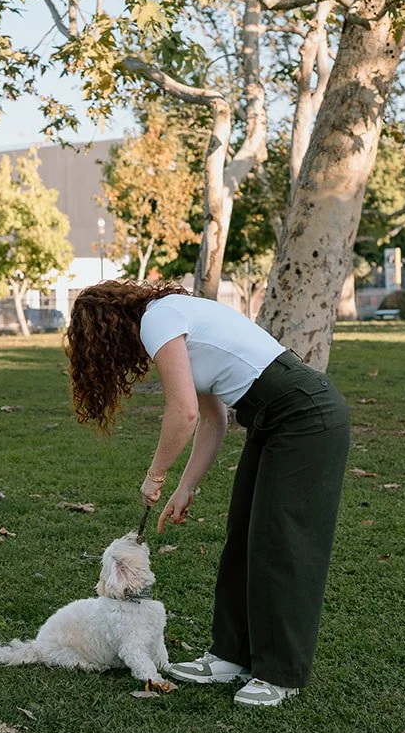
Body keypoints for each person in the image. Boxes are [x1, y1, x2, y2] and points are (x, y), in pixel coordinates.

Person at [63, 280, 349, 707]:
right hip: (272, 419)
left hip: (305, 415)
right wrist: (184, 486)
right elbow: (212, 420)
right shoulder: (173, 319)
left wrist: (154, 476)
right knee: (242, 538)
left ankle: (279, 673)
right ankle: (230, 656)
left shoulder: (159, 320)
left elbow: (183, 413)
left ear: (107, 330)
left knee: (281, 544)